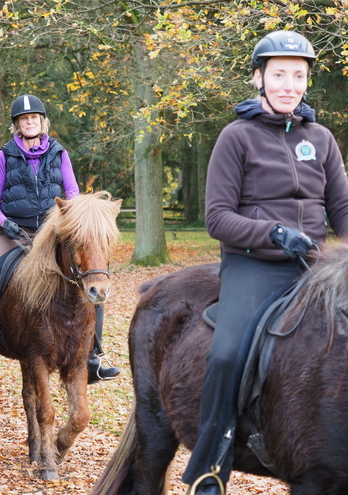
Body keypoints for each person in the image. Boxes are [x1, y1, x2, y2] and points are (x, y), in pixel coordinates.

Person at [183, 31, 348, 495]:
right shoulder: (236, 137)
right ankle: (210, 466)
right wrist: (272, 233)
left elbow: (341, 209)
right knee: (227, 352)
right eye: (279, 74)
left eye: (298, 76)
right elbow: (217, 217)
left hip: (316, 267)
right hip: (254, 266)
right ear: (259, 77)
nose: (288, 85)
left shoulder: (321, 138)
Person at [0, 94, 120, 383]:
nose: (29, 122)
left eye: (33, 118)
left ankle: (95, 354)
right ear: (17, 125)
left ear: (42, 122)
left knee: (92, 277)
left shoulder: (59, 154)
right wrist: (5, 224)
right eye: (24, 119)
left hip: (53, 235)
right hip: (16, 232)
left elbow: (72, 194)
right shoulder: (4, 155)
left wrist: (73, 221)